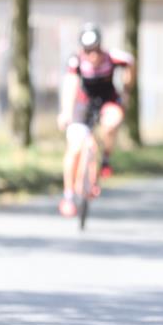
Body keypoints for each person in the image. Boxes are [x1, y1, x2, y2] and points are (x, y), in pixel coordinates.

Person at [56, 24, 134, 217]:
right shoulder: (76, 61)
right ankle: (68, 196)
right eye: (87, 51)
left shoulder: (113, 57)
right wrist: (65, 112)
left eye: (95, 50)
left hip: (107, 101)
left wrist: (127, 91)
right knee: (74, 147)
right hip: (83, 105)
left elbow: (131, 63)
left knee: (112, 122)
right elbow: (70, 85)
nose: (92, 55)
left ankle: (105, 159)